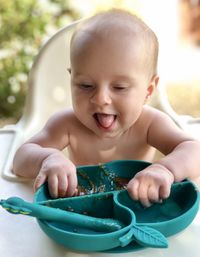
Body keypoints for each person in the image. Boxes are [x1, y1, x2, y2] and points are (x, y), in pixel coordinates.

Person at [13, 9, 200, 207]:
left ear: (148, 90)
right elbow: (21, 159)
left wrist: (166, 170)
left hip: (138, 208)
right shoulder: (66, 124)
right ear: (72, 79)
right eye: (85, 85)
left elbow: (194, 150)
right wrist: (48, 158)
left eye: (119, 87)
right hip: (82, 208)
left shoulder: (150, 124)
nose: (101, 99)